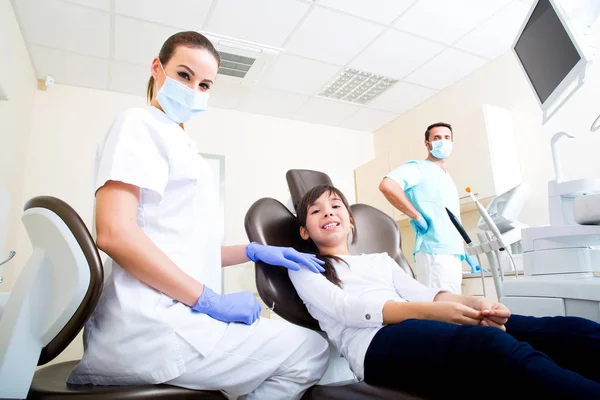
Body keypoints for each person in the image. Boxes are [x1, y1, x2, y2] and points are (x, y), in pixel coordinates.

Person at [66, 31, 329, 400]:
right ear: (157, 69)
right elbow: (114, 233)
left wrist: (253, 250)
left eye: (205, 83)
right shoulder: (137, 124)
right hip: (152, 328)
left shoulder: (181, 142)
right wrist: (210, 300)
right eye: (184, 75)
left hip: (168, 319)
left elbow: (186, 248)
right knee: (311, 350)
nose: (194, 89)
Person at [288, 184, 600, 399]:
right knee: (491, 345)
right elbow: (347, 309)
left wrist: (476, 304)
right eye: (315, 212)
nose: (327, 213)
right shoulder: (303, 266)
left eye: (335, 205)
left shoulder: (379, 260)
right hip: (374, 346)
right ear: (304, 230)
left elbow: (424, 293)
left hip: (421, 321)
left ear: (351, 220)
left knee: (565, 330)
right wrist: (433, 313)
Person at [379, 122, 481, 294]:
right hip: (434, 252)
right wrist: (416, 215)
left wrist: (466, 254)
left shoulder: (447, 177)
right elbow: (387, 185)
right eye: (437, 138)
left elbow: (453, 220)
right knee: (441, 311)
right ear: (427, 143)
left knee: (452, 311)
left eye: (447, 137)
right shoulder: (418, 168)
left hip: (453, 254)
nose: (443, 141)